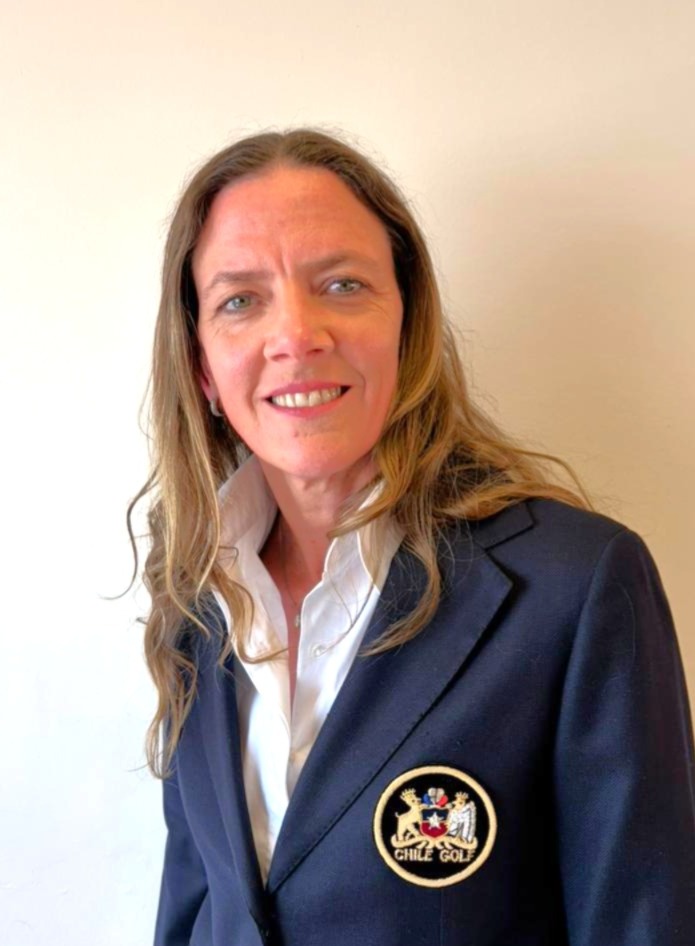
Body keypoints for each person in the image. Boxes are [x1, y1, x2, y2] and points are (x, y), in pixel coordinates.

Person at [133, 128, 695, 946]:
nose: (295, 335)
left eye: (341, 284)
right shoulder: (194, 587)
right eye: (240, 300)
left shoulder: (575, 586)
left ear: (409, 324)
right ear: (201, 366)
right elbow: (194, 908)